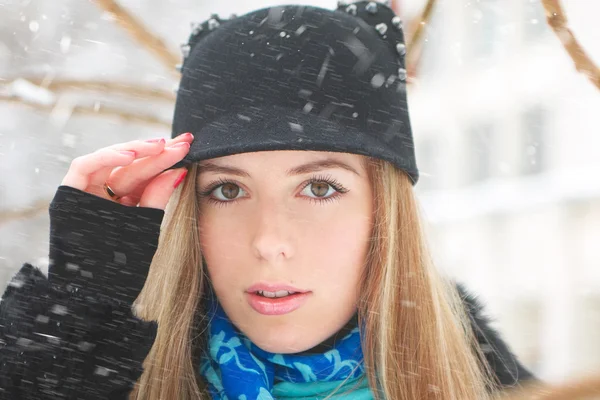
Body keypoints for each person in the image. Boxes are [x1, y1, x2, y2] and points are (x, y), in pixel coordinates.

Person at [0, 1, 538, 399]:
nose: (269, 241)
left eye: (320, 187)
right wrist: (80, 311)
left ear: (384, 212)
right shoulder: (110, 380)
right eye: (228, 190)